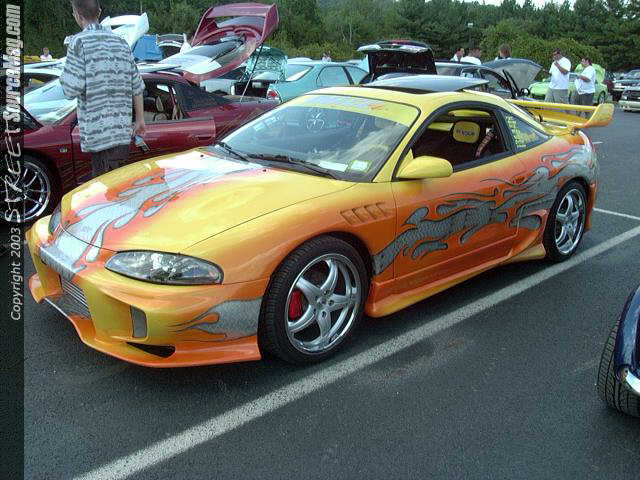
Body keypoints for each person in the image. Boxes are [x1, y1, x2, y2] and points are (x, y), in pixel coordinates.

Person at [60, 0, 145, 178]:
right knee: (119, 186)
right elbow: (137, 85)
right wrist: (140, 119)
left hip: (98, 137)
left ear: (77, 15)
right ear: (99, 12)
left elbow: (70, 89)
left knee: (105, 190)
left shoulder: (79, 42)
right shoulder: (121, 43)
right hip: (122, 134)